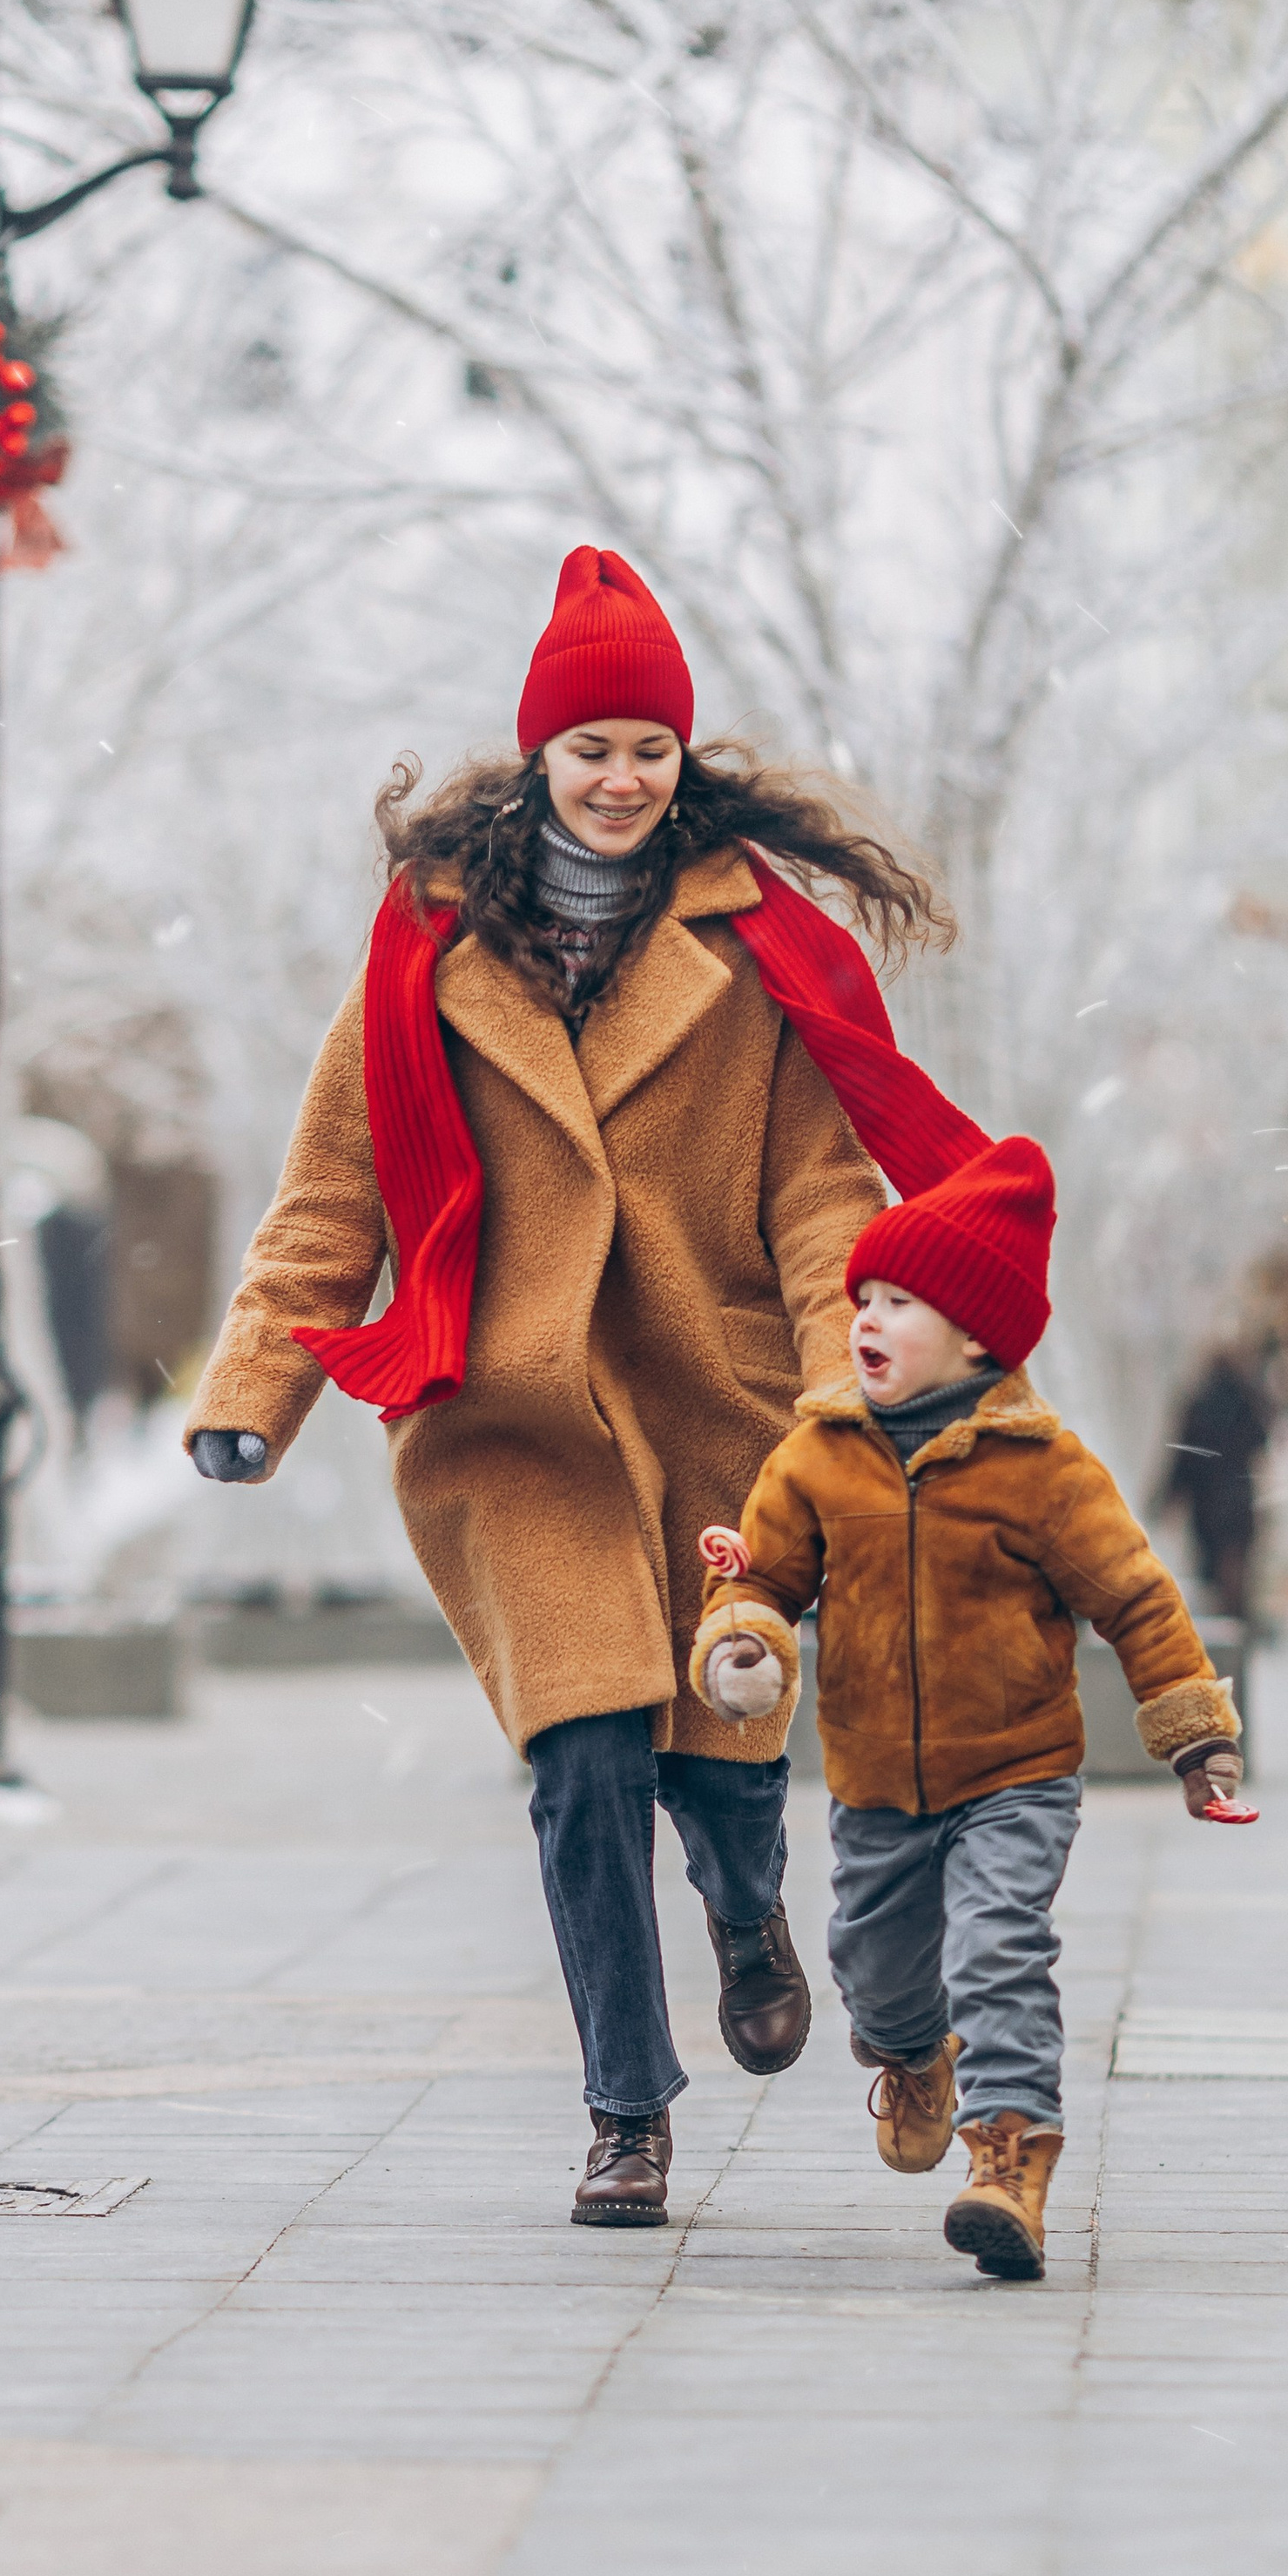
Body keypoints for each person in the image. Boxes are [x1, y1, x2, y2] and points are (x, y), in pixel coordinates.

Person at [184, 544, 955, 2228]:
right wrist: (254, 1385)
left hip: (717, 1405)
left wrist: (848, 1392)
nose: (621, 776)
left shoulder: (752, 957)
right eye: (591, 745)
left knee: (724, 1741)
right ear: (538, 755)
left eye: (649, 747)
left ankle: (745, 1903)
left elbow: (824, 1201)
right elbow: (333, 1196)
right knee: (584, 1752)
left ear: (684, 760)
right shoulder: (424, 954)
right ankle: (628, 2109)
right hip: (511, 1413)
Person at [693, 1137, 1243, 2283]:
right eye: (866, 1298)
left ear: (979, 1338)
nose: (868, 1318)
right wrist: (741, 1638)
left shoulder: (1043, 1470)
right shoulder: (818, 1455)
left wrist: (1195, 1733)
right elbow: (761, 1577)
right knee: (875, 1968)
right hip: (875, 1781)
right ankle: (913, 2056)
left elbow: (1135, 1595)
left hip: (1016, 1773)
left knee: (1000, 1948)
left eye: (902, 1302)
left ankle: (1009, 2161)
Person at [1161, 1348, 1271, 1621]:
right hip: (1237, 1498)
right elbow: (1261, 1441)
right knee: (1235, 1565)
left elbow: (1182, 1458)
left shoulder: (1198, 1403)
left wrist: (1167, 1497)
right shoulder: (1247, 1403)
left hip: (1207, 1503)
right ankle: (1236, 1618)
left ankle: (1226, 1620)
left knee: (1214, 1570)